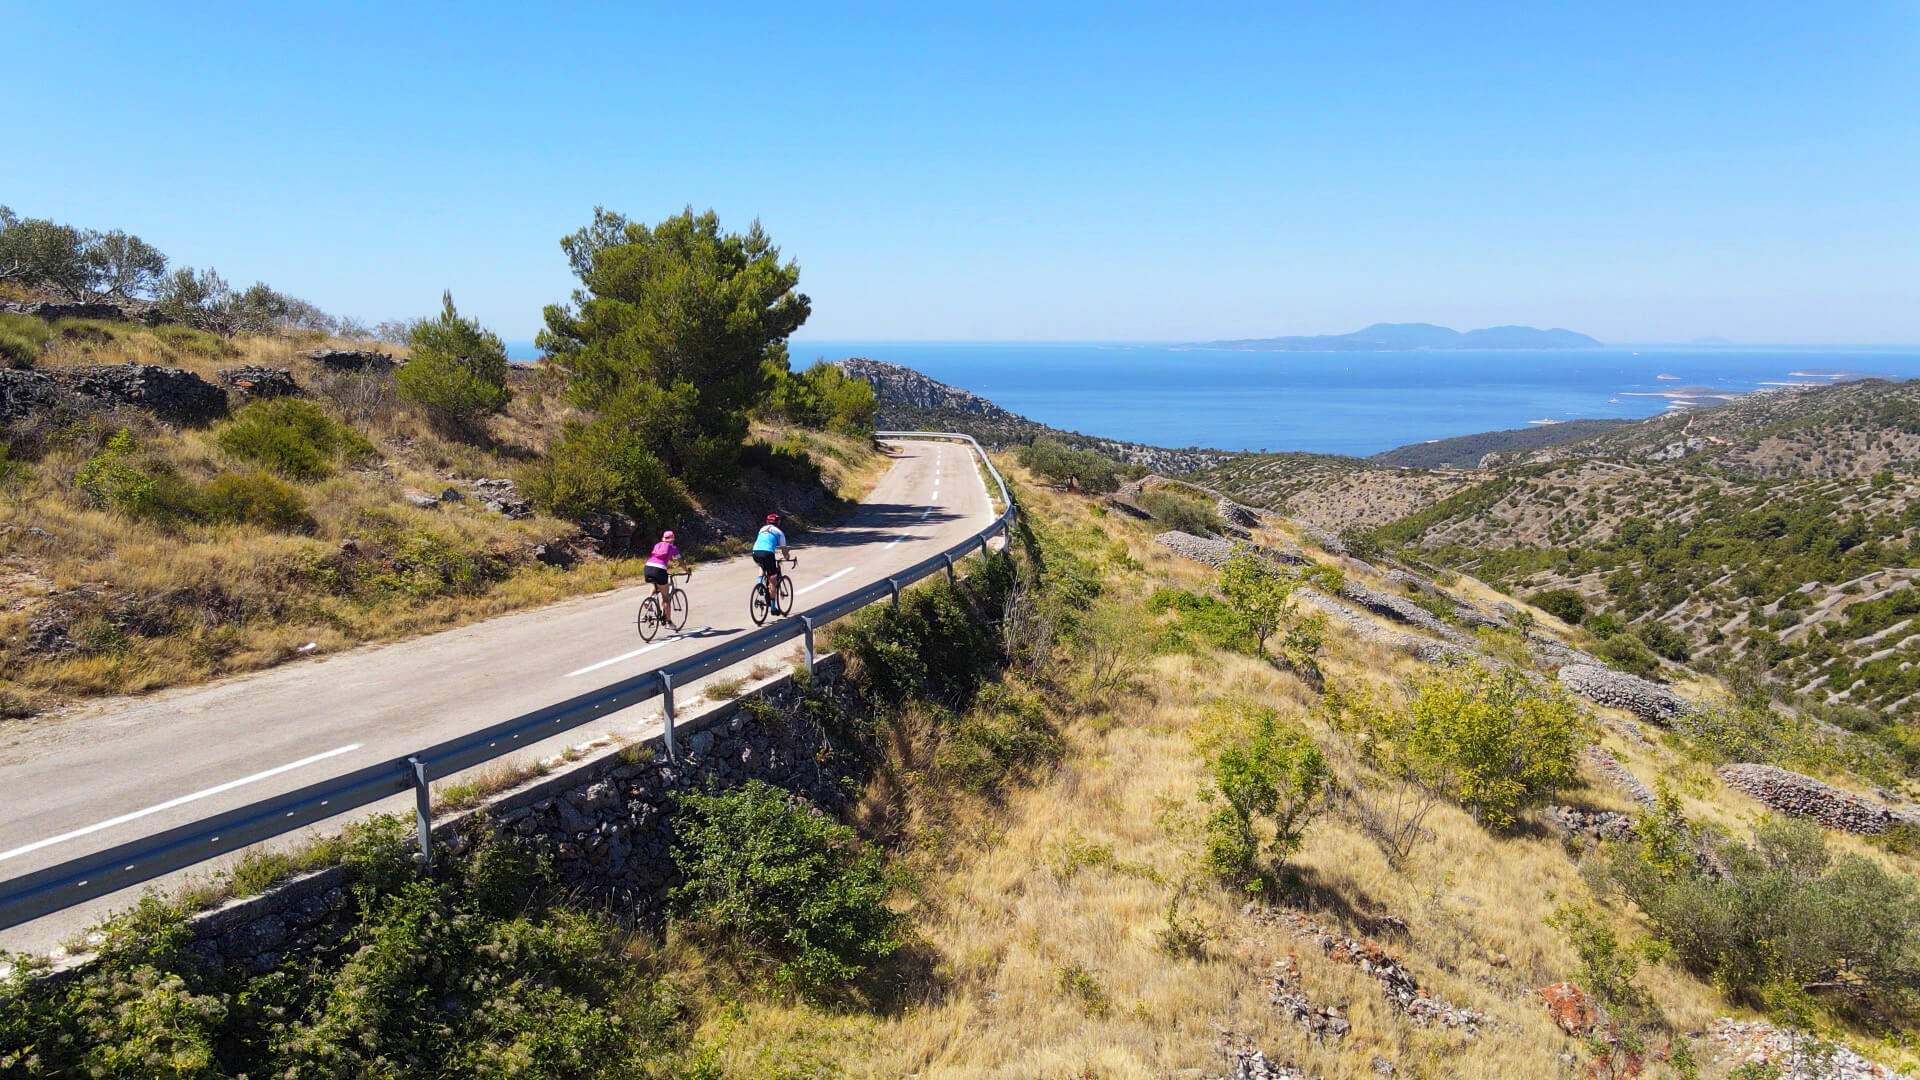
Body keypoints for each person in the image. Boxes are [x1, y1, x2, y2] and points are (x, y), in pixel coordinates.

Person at [752, 513, 789, 612]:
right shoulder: (780, 533)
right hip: (768, 554)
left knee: (761, 565)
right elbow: (784, 550)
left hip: (755, 552)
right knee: (773, 580)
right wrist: (787, 557)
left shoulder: (762, 529)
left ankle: (759, 583)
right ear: (778, 523)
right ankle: (773, 608)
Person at [644, 529, 680, 611]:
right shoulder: (672, 547)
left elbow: (661, 557)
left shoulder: (657, 545)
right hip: (659, 569)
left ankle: (648, 600)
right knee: (666, 598)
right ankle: (668, 621)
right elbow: (680, 561)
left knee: (655, 585)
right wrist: (687, 570)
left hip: (648, 566)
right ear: (673, 539)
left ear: (663, 538)